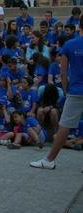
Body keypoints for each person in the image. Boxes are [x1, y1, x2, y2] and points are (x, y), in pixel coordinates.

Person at [31, 15, 83, 169]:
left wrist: (67, 91)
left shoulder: (69, 45)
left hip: (76, 90)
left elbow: (63, 73)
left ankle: (49, 160)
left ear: (79, 26)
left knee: (65, 126)